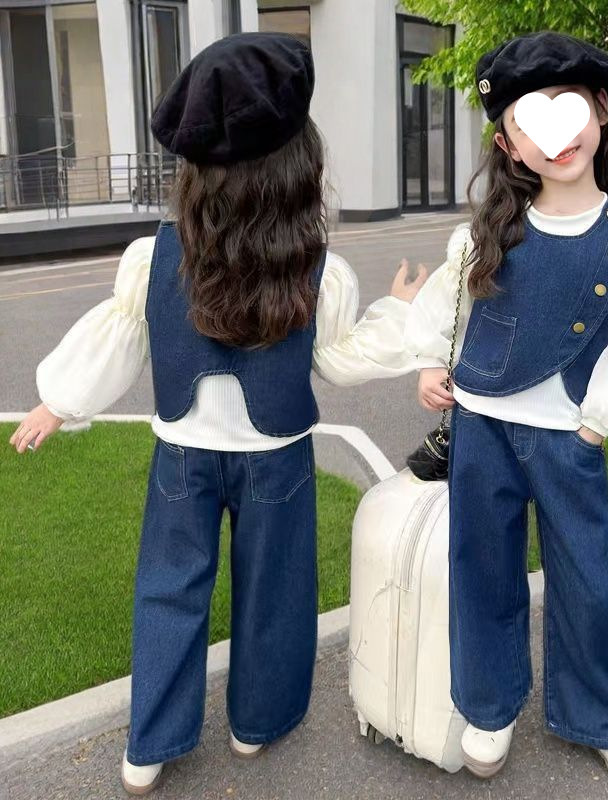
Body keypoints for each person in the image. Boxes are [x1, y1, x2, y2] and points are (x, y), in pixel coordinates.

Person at [8, 32, 426, 796]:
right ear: (300, 165)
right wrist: (399, 313)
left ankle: (151, 743)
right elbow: (340, 358)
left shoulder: (155, 255)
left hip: (183, 456)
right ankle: (254, 725)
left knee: (169, 589)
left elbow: (120, 340)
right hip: (278, 458)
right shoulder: (318, 268)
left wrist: (57, 402)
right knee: (276, 593)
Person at [405, 31, 608, 796]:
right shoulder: (486, 232)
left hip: (568, 440)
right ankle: (490, 708)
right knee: (483, 572)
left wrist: (594, 425)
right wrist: (429, 361)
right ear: (509, 144)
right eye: (530, 119)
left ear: (601, 112)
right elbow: (448, 306)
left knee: (586, 582)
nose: (556, 134)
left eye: (569, 107)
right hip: (482, 430)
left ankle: (605, 722)